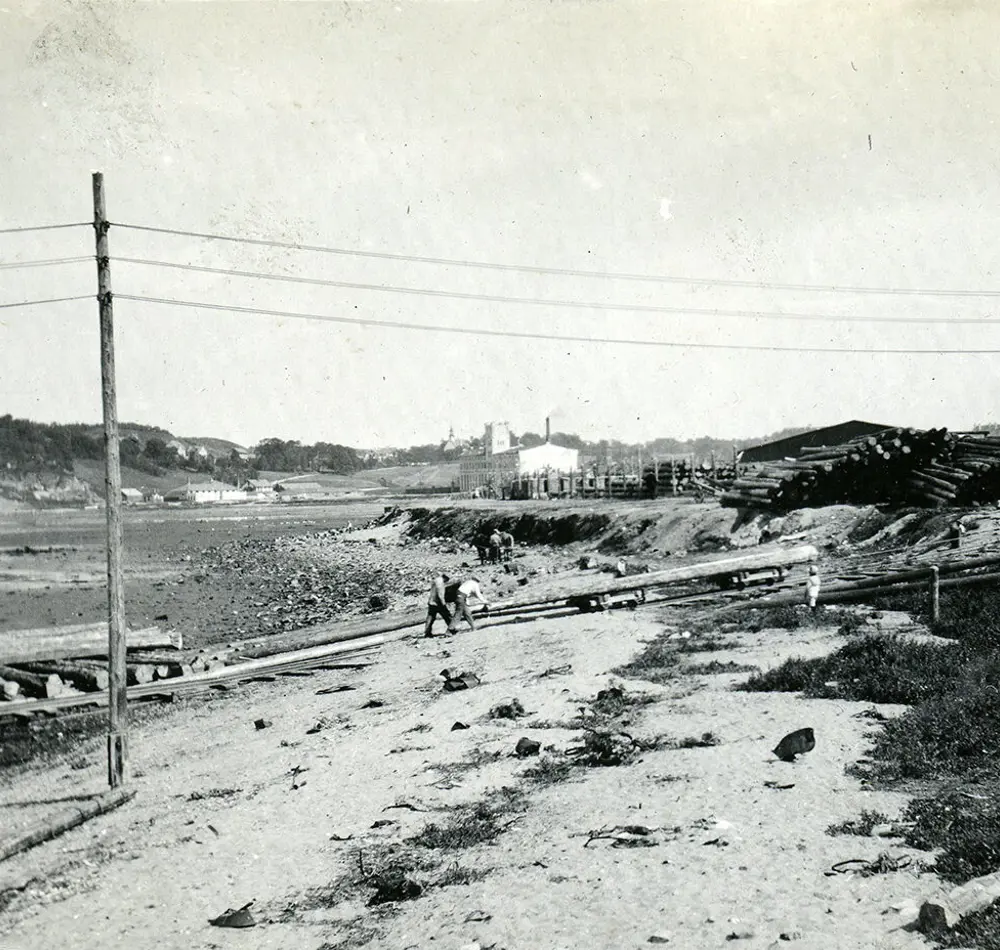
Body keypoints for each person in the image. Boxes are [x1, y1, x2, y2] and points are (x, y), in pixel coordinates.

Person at [423, 572, 452, 638]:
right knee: (447, 616)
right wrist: (444, 604)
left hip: (431, 602)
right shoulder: (440, 583)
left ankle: (427, 633)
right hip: (438, 603)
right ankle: (451, 629)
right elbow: (440, 595)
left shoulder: (435, 580)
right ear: (445, 578)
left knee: (430, 618)